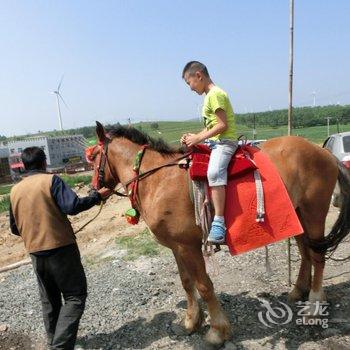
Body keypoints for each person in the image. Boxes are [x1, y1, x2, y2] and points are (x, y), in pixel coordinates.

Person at [9, 147, 112, 350]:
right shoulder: (51, 181)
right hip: (61, 250)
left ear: (24, 165)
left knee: (49, 300)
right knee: (75, 297)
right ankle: (60, 347)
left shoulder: (14, 190)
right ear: (43, 163)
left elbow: (14, 228)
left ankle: (53, 341)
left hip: (35, 253)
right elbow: (72, 206)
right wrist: (97, 196)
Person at [181, 61, 238, 244]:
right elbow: (212, 126)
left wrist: (198, 138)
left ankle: (219, 222)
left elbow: (222, 125)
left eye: (189, 83)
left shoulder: (215, 94)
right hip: (215, 142)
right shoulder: (209, 96)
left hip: (224, 143)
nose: (190, 88)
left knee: (213, 173)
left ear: (199, 76)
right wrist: (195, 136)